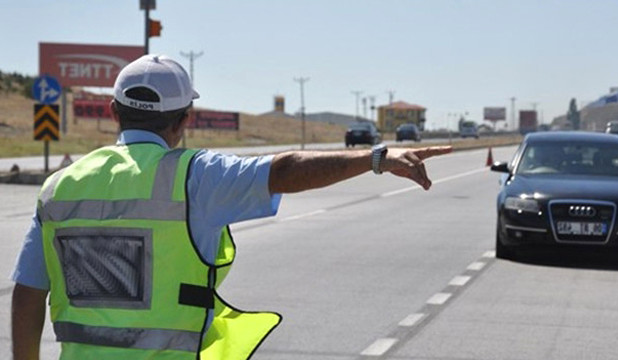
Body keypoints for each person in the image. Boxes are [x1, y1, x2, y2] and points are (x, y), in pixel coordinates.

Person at [11, 54, 452, 360]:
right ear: (184, 120)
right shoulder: (196, 176)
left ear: (113, 112)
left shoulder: (58, 188)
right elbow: (285, 169)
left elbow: (28, 294)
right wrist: (376, 158)